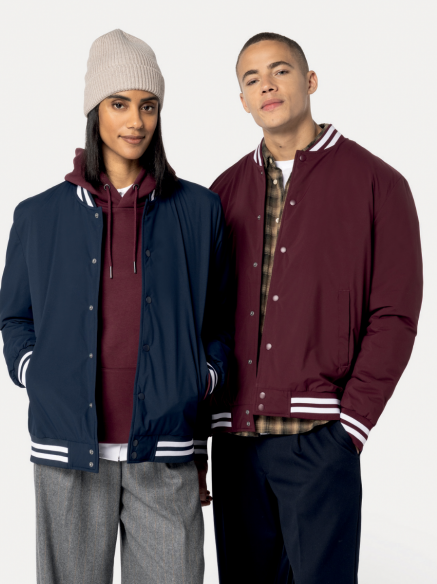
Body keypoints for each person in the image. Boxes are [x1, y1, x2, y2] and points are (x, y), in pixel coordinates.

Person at [0, 29, 231, 584]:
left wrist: (199, 380)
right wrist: (36, 372)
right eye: (119, 104)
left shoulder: (199, 211)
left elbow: (219, 321)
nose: (136, 121)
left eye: (148, 106)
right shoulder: (38, 216)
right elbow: (15, 317)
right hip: (68, 448)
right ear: (94, 111)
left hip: (165, 447)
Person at [208, 32, 423, 584]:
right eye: (252, 79)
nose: (267, 86)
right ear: (242, 100)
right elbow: (204, 319)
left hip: (319, 441)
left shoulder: (379, 184)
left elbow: (395, 316)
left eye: (279, 71)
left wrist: (350, 427)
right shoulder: (222, 192)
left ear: (310, 80)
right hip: (234, 445)